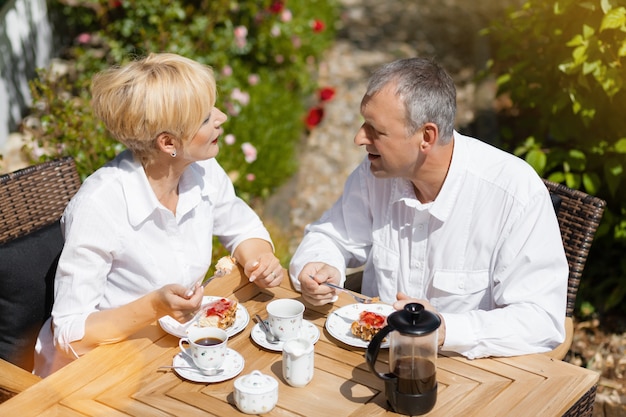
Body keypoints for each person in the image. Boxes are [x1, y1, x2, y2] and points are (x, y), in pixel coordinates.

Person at [289, 57, 569, 359]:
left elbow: (542, 322)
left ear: (427, 137)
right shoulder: (375, 175)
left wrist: (446, 330)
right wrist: (320, 265)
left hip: (471, 376)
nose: (359, 138)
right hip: (371, 360)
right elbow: (329, 237)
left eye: (375, 131)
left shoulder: (514, 193)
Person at [34, 53, 283, 377]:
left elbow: (242, 227)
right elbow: (70, 335)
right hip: (100, 373)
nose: (221, 117)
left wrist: (259, 259)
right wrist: (154, 307)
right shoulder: (100, 205)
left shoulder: (202, 170)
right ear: (169, 143)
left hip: (177, 351)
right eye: (206, 118)